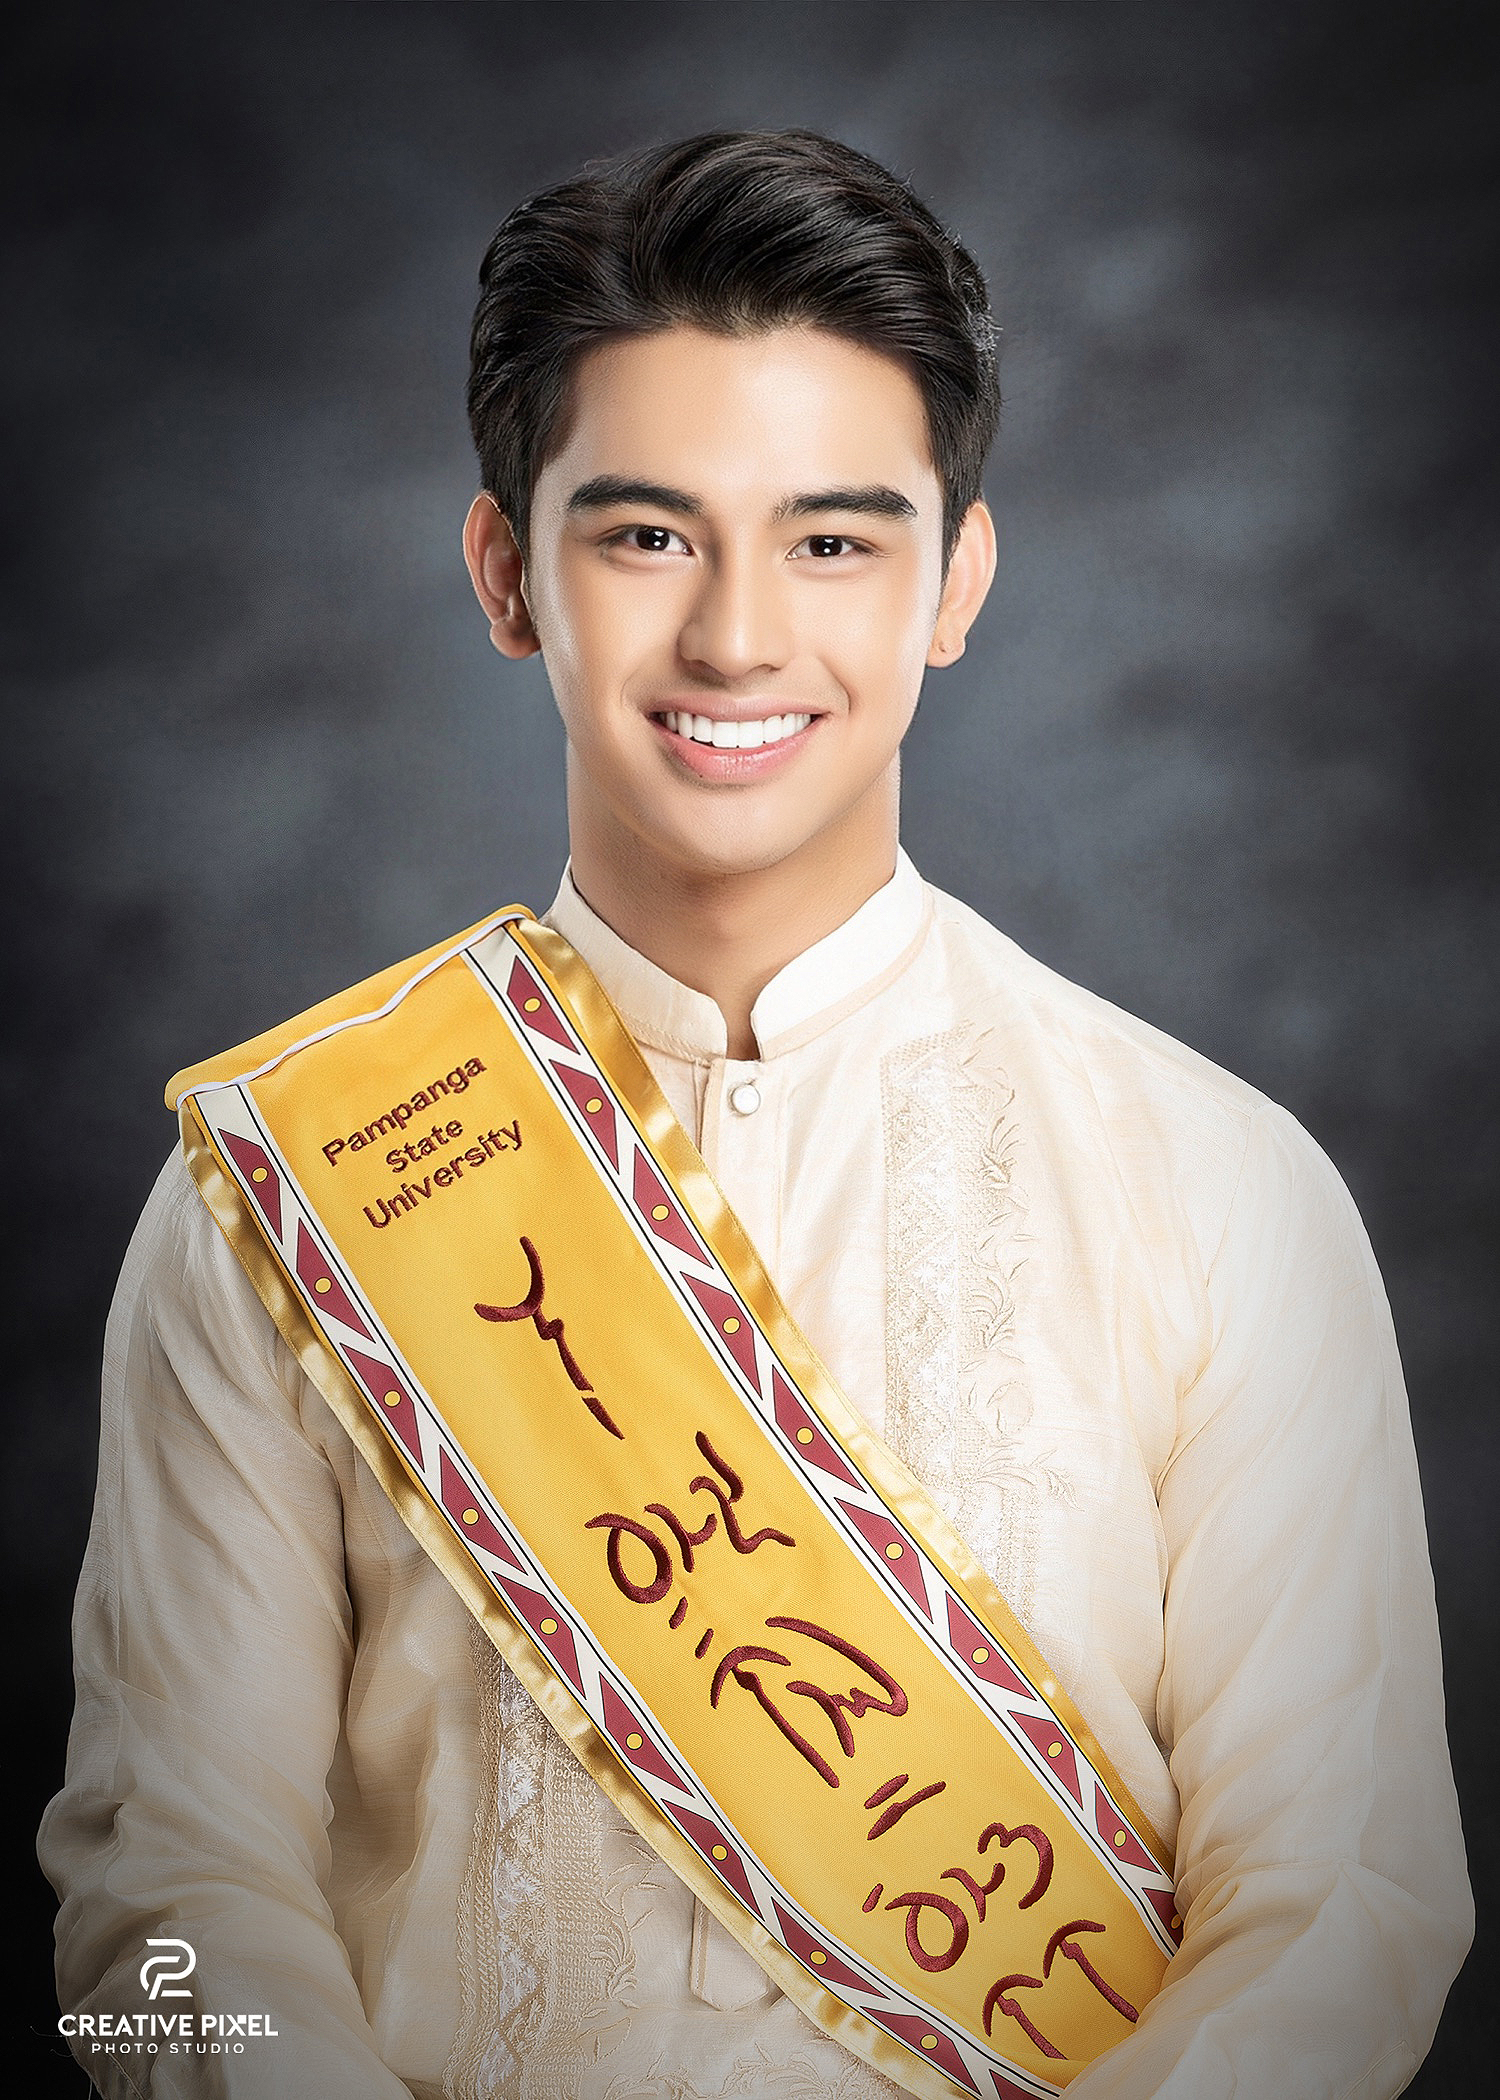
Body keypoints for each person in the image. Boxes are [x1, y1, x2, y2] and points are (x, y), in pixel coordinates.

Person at [40, 130, 1471, 2100]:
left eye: (833, 538)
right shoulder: (267, 1208)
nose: (734, 636)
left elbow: (1348, 1903)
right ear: (504, 573)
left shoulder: (1219, 1189)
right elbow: (161, 1910)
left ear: (955, 580)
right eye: (644, 534)